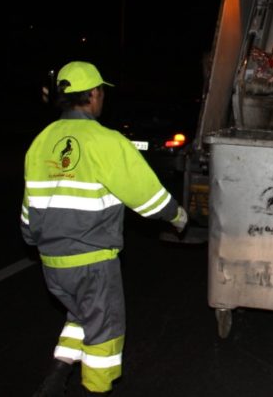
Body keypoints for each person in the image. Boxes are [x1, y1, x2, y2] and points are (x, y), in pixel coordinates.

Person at [20, 61, 188, 395]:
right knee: (104, 336)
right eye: (101, 93)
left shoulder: (41, 141)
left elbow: (30, 207)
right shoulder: (105, 141)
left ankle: (57, 374)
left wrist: (33, 238)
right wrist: (177, 216)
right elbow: (146, 196)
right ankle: (95, 389)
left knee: (81, 316)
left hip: (53, 262)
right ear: (94, 94)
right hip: (92, 261)